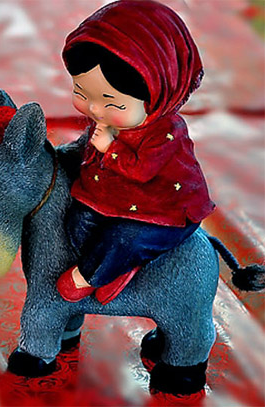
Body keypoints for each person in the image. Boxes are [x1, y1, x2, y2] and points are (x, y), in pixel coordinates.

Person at [56, 0, 215, 305]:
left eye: (113, 103)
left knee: (125, 237)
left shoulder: (166, 131)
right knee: (77, 220)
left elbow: (142, 170)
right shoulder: (106, 118)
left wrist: (109, 148)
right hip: (109, 196)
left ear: (158, 93)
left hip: (160, 210)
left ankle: (92, 275)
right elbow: (86, 148)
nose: (95, 109)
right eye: (81, 93)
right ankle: (110, 266)